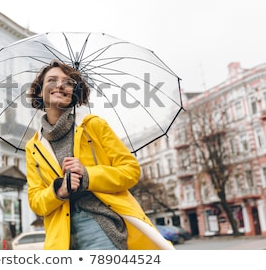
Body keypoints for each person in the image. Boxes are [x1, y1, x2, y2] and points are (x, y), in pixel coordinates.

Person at [25, 60, 174, 250]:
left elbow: (131, 171)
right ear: (39, 92)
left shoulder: (93, 126)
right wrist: (59, 190)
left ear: (73, 94)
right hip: (60, 240)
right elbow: (35, 201)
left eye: (68, 82)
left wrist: (87, 175)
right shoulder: (34, 147)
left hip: (100, 226)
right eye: (52, 81)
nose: (60, 85)